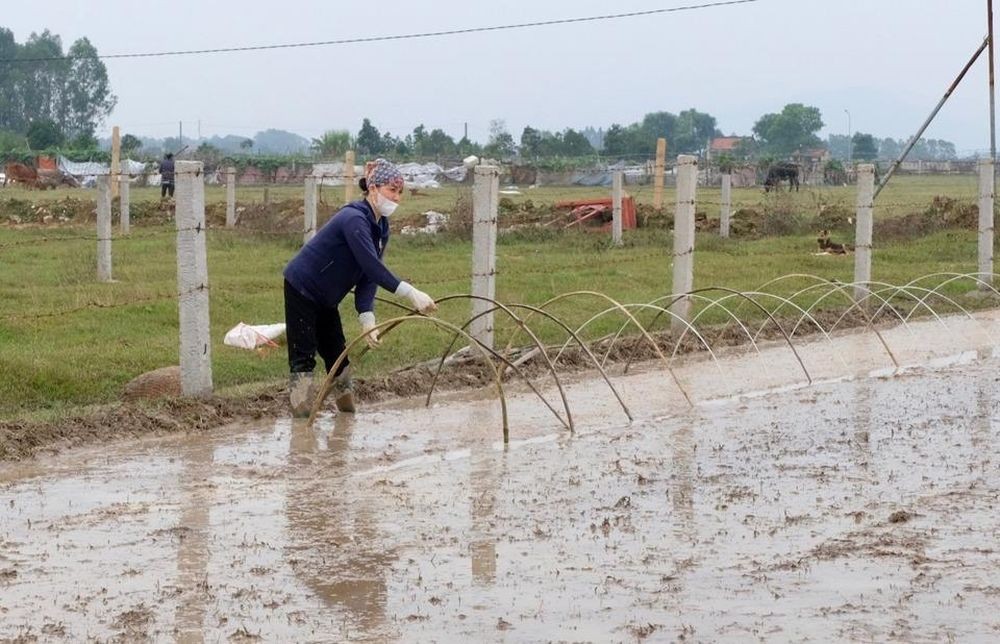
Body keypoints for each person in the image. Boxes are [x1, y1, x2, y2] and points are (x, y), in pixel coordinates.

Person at [282, 158, 437, 417]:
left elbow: (368, 274)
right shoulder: (353, 218)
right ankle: (301, 425)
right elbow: (373, 266)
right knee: (303, 356)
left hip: (327, 297)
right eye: (391, 190)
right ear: (373, 189)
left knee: (338, 356)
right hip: (303, 287)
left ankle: (347, 415)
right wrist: (411, 293)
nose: (396, 198)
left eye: (399, 192)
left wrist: (367, 318)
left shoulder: (381, 227)